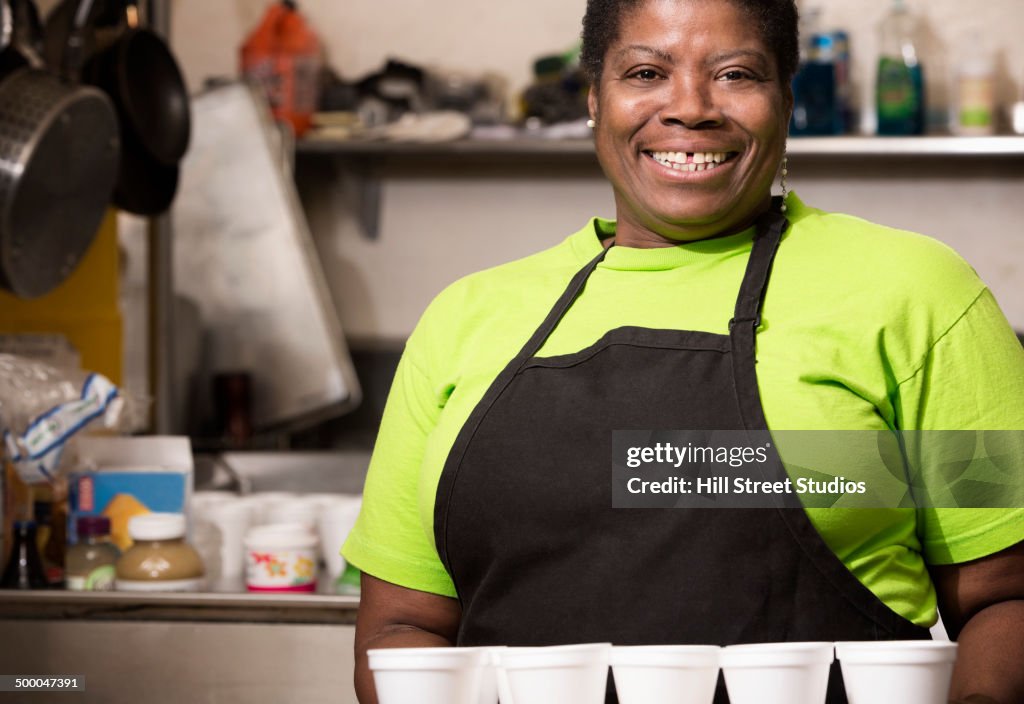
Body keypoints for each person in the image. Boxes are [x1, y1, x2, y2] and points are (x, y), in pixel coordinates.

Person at [342, 1, 1024, 702]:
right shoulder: (464, 320)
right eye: (645, 72)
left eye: (735, 74)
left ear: (786, 103)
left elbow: (1007, 596)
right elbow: (401, 627)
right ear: (594, 100)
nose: (690, 108)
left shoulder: (918, 293)